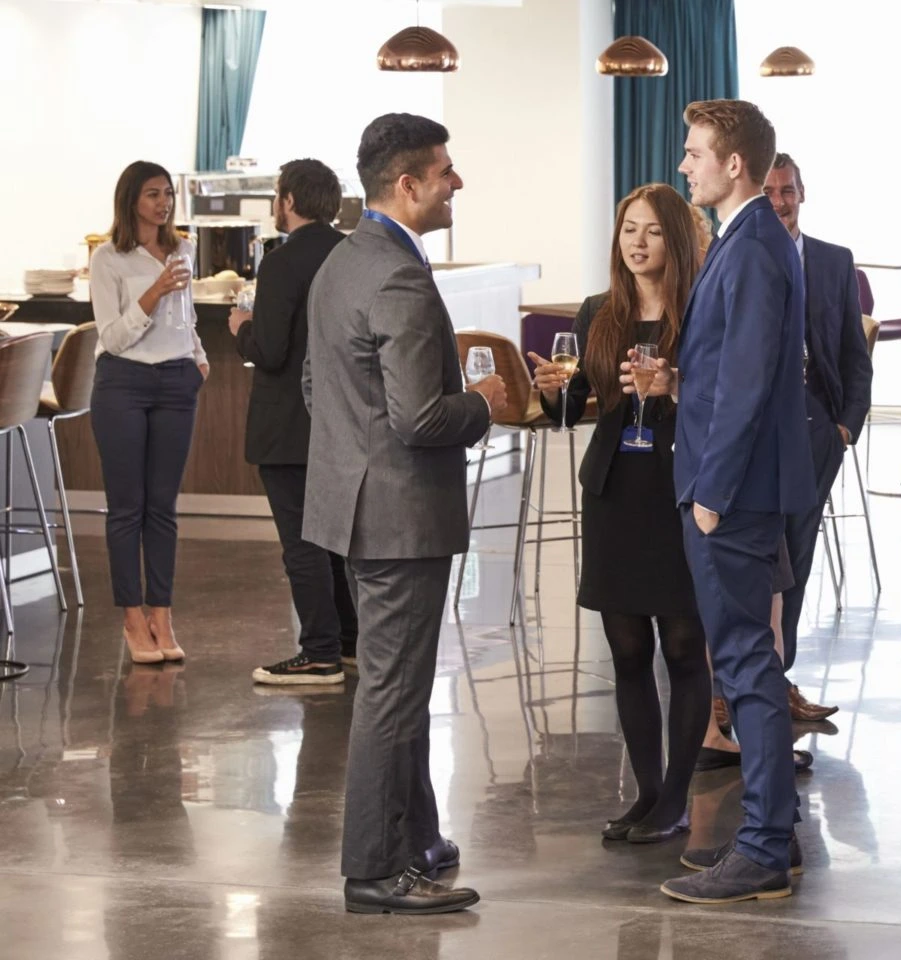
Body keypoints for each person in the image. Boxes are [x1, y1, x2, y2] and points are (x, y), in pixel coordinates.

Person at [307, 113, 507, 914]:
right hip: (398, 515)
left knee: (401, 683)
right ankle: (376, 868)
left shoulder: (343, 260)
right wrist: (485, 403)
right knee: (392, 692)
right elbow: (423, 418)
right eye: (446, 170)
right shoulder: (396, 274)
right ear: (408, 184)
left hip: (357, 507)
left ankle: (418, 836)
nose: (457, 181)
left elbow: (323, 391)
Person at [662, 98, 816, 905]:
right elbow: (727, 368)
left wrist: (713, 492)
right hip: (741, 486)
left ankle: (759, 849)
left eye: (695, 153)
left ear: (735, 164)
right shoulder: (747, 238)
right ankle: (774, 833)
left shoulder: (753, 243)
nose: (684, 164)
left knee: (748, 666)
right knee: (748, 661)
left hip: (734, 493)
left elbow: (752, 380)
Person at [527, 184, 710, 845]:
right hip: (615, 493)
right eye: (629, 229)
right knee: (628, 652)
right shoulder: (597, 312)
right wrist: (554, 394)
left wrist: (676, 386)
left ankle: (680, 796)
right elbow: (583, 405)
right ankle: (649, 792)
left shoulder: (702, 311)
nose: (637, 242)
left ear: (677, 241)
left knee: (685, 648)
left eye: (653, 232)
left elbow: (724, 403)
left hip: (679, 492)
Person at [232, 159, 358, 686]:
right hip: (341, 421)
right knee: (333, 541)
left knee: (301, 544)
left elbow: (272, 349)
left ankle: (319, 653)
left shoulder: (282, 263)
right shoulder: (350, 254)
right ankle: (349, 642)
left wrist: (240, 328)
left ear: (289, 201)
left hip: (287, 425)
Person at [88, 161, 210, 665]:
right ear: (131, 200)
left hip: (177, 382)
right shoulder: (108, 258)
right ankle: (132, 616)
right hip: (124, 383)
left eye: (166, 194)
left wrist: (198, 356)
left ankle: (162, 612)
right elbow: (112, 337)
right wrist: (154, 291)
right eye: (152, 195)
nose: (163, 203)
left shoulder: (183, 248)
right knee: (127, 508)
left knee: (163, 507)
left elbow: (188, 315)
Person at [764, 152, 870, 721]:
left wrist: (846, 426)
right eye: (771, 191)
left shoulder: (833, 261)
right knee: (759, 559)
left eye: (789, 191)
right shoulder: (742, 257)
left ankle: (779, 680)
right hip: (757, 431)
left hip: (817, 428)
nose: (781, 201)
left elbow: (855, 352)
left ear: (802, 194)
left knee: (798, 560)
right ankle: (742, 688)